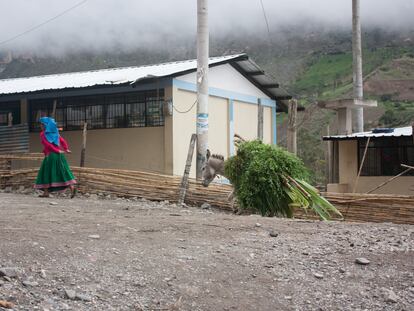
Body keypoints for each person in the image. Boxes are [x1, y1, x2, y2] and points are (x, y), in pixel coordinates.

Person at [34, 117, 77, 198]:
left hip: (51, 155)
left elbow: (48, 145)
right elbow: (62, 141)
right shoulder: (55, 132)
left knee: (45, 172)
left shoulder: (43, 134)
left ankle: (46, 192)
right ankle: (72, 187)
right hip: (60, 155)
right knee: (62, 171)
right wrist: (66, 149)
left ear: (45, 125)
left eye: (42, 124)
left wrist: (56, 151)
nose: (40, 126)